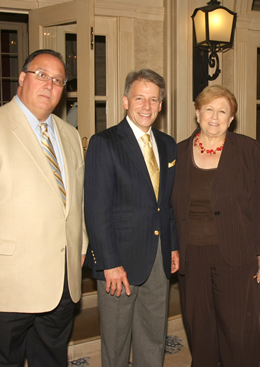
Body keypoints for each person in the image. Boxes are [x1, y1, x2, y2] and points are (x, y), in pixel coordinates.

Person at [0, 49, 88, 366]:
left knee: (51, 360)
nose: (49, 85)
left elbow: (75, 200)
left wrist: (81, 244)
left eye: (58, 80)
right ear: (22, 79)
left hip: (61, 285)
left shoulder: (70, 135)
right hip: (3, 286)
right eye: (41, 75)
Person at [171, 85, 260, 367]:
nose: (214, 117)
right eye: (208, 109)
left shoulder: (247, 149)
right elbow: (169, 207)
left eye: (222, 111)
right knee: (198, 326)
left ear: (231, 119)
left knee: (238, 328)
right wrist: (171, 247)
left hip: (237, 254)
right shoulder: (178, 152)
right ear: (197, 113)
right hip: (191, 255)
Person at [83, 69, 179, 367]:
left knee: (153, 336)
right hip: (118, 261)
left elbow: (168, 203)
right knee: (116, 340)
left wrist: (173, 246)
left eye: (154, 99)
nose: (146, 106)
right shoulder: (105, 142)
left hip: (158, 258)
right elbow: (96, 210)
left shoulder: (167, 144)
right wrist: (109, 263)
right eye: (139, 98)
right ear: (126, 101)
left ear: (161, 105)